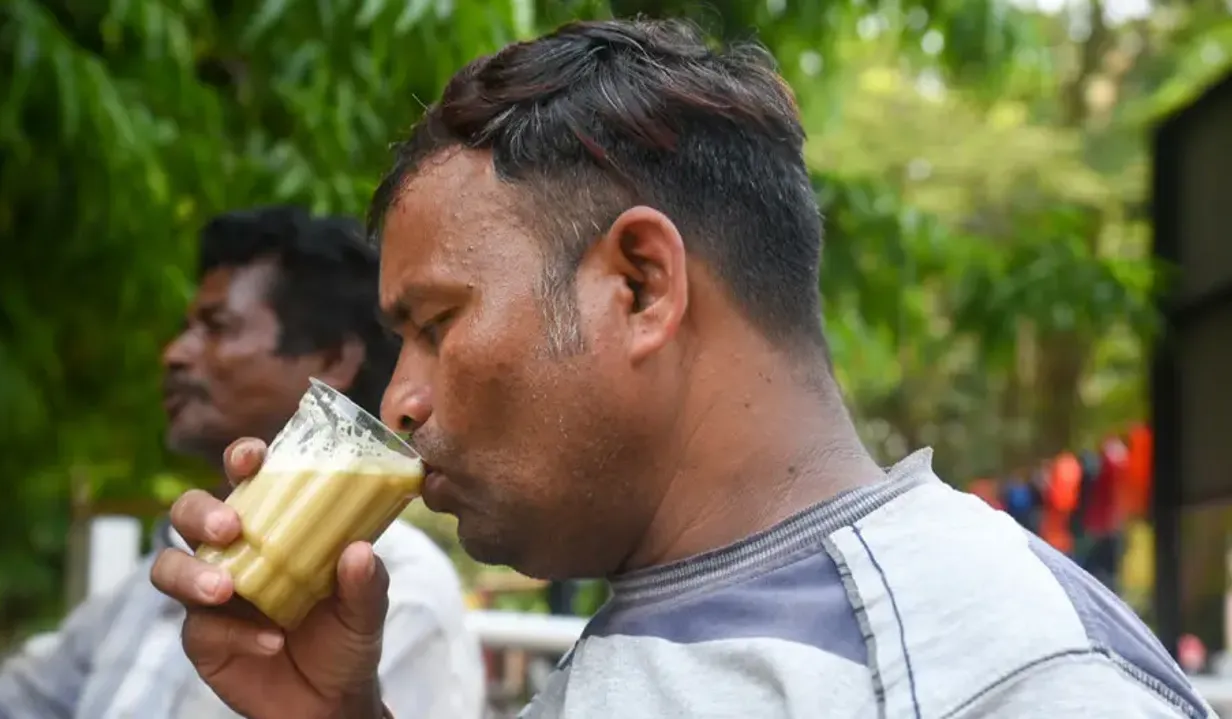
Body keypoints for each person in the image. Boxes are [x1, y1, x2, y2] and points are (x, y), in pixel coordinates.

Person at [149, 20, 1213, 719]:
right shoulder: (643, 635)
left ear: (642, 285)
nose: (400, 399)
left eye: (435, 321)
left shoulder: (997, 678)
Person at [0, 207, 484, 719]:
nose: (175, 353)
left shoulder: (394, 592)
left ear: (331, 361)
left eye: (216, 326)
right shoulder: (170, 570)